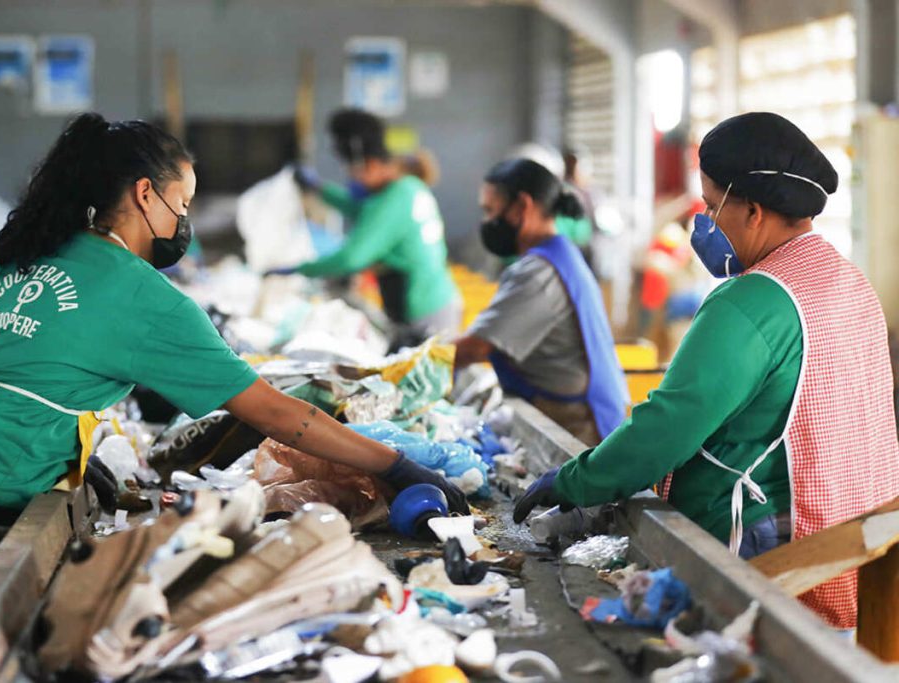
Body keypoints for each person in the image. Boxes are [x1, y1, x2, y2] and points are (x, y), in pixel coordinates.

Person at [0, 113, 468, 659]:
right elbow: (274, 413)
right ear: (145, 194)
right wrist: (395, 465)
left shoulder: (16, 256)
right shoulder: (143, 296)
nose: (183, 221)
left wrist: (59, 446)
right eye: (181, 203)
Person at [514, 112, 899, 631]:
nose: (705, 223)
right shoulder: (848, 282)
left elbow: (665, 429)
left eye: (713, 206)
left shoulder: (751, 301)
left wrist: (574, 481)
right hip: (847, 545)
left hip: (766, 553)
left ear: (754, 211)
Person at [453, 159, 628, 446]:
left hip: (578, 424)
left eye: (490, 211)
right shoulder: (557, 254)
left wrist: (419, 361)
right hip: (572, 410)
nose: (486, 222)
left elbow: (477, 347)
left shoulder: (540, 273)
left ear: (522, 206)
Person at [289, 108, 462, 346]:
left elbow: (351, 258)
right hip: (435, 303)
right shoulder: (405, 188)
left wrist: (301, 269)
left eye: (352, 171)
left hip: (424, 314)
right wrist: (318, 188)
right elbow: (357, 208)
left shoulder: (393, 199)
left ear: (369, 164)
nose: (352, 180)